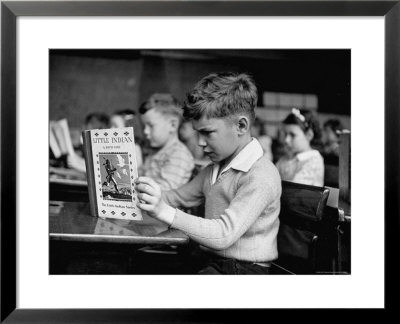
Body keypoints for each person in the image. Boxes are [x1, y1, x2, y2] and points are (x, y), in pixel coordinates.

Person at [135, 72, 282, 274]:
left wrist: (163, 211)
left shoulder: (261, 175)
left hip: (244, 270)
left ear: (241, 125)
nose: (201, 142)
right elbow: (176, 197)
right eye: (198, 133)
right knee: (140, 263)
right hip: (210, 259)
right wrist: (144, 196)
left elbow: (223, 234)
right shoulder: (214, 169)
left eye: (208, 133)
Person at [139, 93, 195, 191]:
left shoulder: (179, 154)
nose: (145, 132)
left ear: (172, 125)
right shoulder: (154, 152)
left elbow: (166, 190)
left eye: (151, 126)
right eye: (144, 127)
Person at [276, 108, 324, 186]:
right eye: (285, 134)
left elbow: (295, 190)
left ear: (309, 135)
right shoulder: (286, 157)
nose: (286, 140)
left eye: (292, 135)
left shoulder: (313, 159)